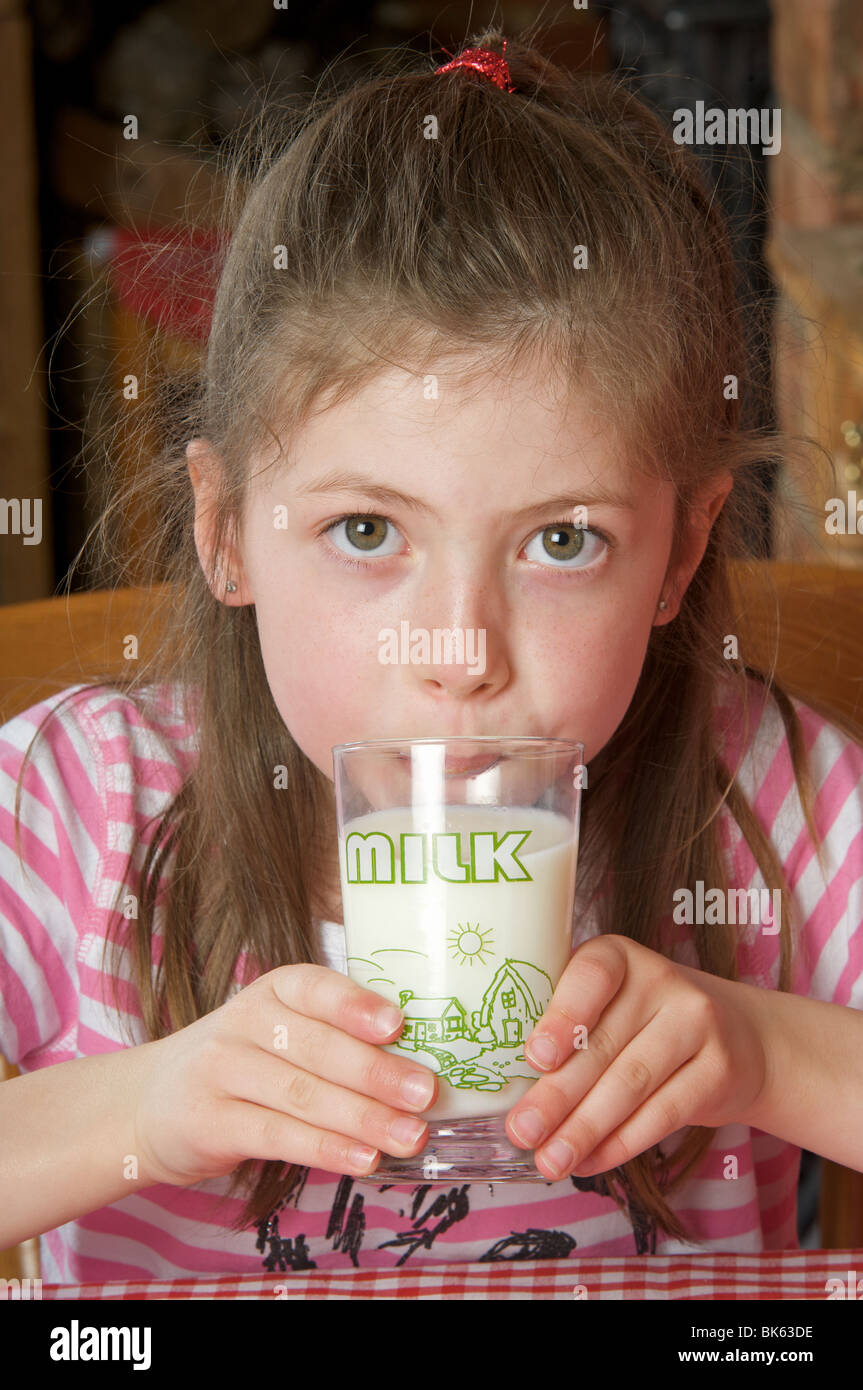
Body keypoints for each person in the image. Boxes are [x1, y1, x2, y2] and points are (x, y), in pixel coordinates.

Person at [2, 24, 862, 1283]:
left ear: (676, 556)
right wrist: (138, 1112)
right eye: (366, 529)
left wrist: (766, 1053)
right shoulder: (76, 810)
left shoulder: (774, 805)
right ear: (225, 528)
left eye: (562, 540)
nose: (458, 649)